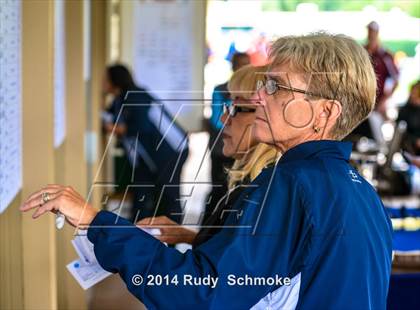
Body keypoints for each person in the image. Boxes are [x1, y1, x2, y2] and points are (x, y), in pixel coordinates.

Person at [21, 32, 392, 309]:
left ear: (325, 113)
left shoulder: (294, 185)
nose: (260, 96)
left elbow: (200, 294)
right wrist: (195, 240)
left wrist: (95, 221)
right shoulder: (360, 192)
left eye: (276, 87)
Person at [137, 65, 279, 248]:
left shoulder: (264, 191)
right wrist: (186, 236)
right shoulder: (251, 182)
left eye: (237, 108)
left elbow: (223, 272)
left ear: (267, 117)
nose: (223, 119)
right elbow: (227, 252)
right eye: (227, 106)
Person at [101, 64, 189, 223]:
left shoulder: (135, 95)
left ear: (115, 80)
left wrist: (116, 128)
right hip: (147, 157)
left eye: (105, 79)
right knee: (142, 195)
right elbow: (109, 116)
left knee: (168, 194)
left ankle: (173, 239)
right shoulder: (119, 99)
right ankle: (142, 232)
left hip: (171, 150)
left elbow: (142, 126)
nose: (102, 83)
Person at [205, 52, 250, 222]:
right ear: (233, 67)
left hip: (243, 150)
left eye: (247, 64)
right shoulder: (220, 90)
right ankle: (206, 229)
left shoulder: (255, 91)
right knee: (219, 190)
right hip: (221, 149)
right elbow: (218, 119)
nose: (244, 68)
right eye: (240, 64)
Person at [350, 21, 399, 142]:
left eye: (373, 32)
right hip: (360, 101)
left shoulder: (385, 55)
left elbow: (395, 79)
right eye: (369, 31)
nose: (371, 35)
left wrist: (384, 100)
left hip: (377, 103)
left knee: (377, 136)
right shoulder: (361, 52)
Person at [397, 81, 420, 155]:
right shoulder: (405, 109)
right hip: (407, 149)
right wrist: (415, 140)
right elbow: (399, 131)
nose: (412, 95)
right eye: (412, 92)